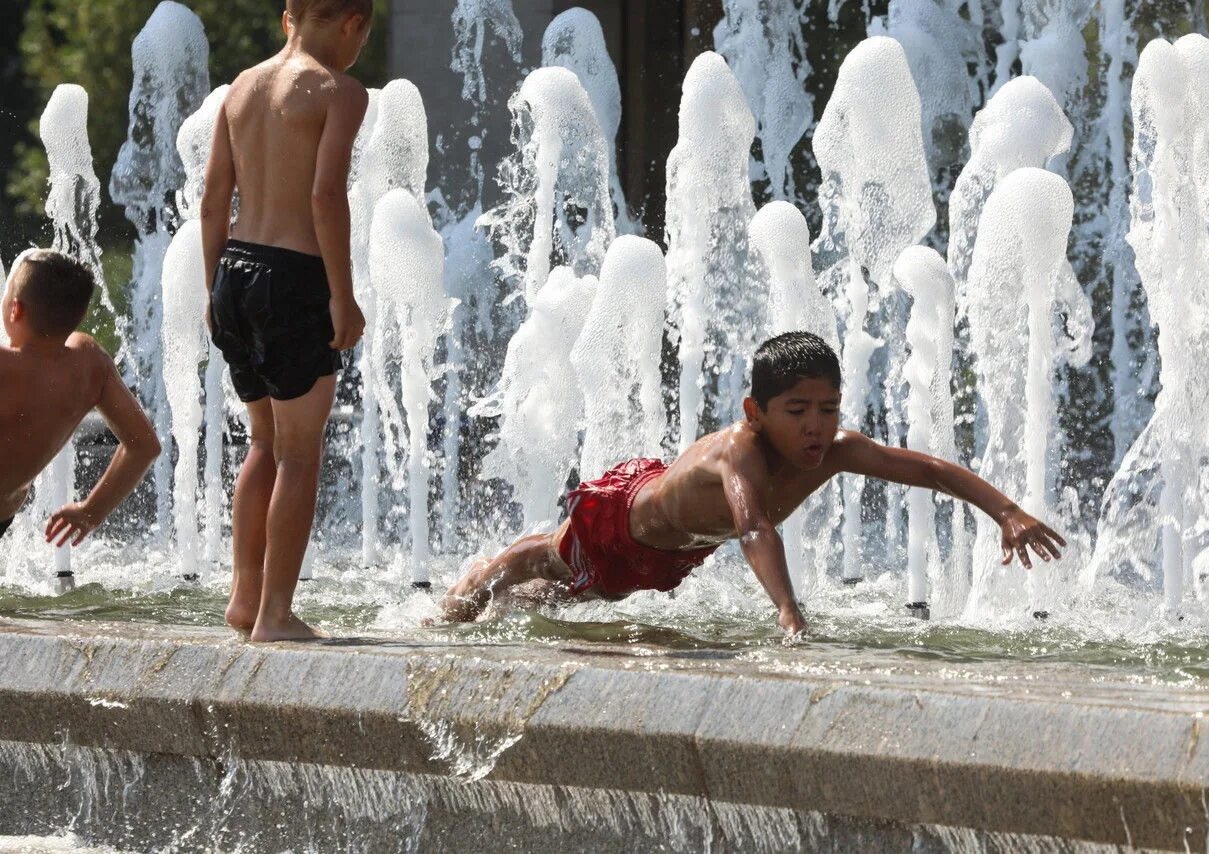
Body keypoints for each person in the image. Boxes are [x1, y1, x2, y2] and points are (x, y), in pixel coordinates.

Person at [435, 331, 1067, 636]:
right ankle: (452, 606)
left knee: (571, 603)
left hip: (668, 556)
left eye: (828, 408)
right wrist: (790, 613)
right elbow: (753, 525)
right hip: (620, 521)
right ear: (754, 412)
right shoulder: (740, 454)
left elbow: (924, 469)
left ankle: (503, 596)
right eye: (797, 412)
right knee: (543, 559)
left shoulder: (837, 450)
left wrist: (1006, 511)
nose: (816, 427)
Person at [202, 0, 371, 641]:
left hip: (234, 270)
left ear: (286, 19)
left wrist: (214, 289)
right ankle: (274, 614)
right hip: (293, 277)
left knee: (265, 445)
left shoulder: (241, 89)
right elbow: (325, 196)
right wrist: (342, 294)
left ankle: (244, 601)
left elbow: (212, 200)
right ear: (354, 24)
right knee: (299, 456)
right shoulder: (340, 92)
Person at [0, 250, 161, 547]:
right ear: (82, 315)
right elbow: (144, 445)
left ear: (14, 311)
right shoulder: (90, 364)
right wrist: (92, 510)